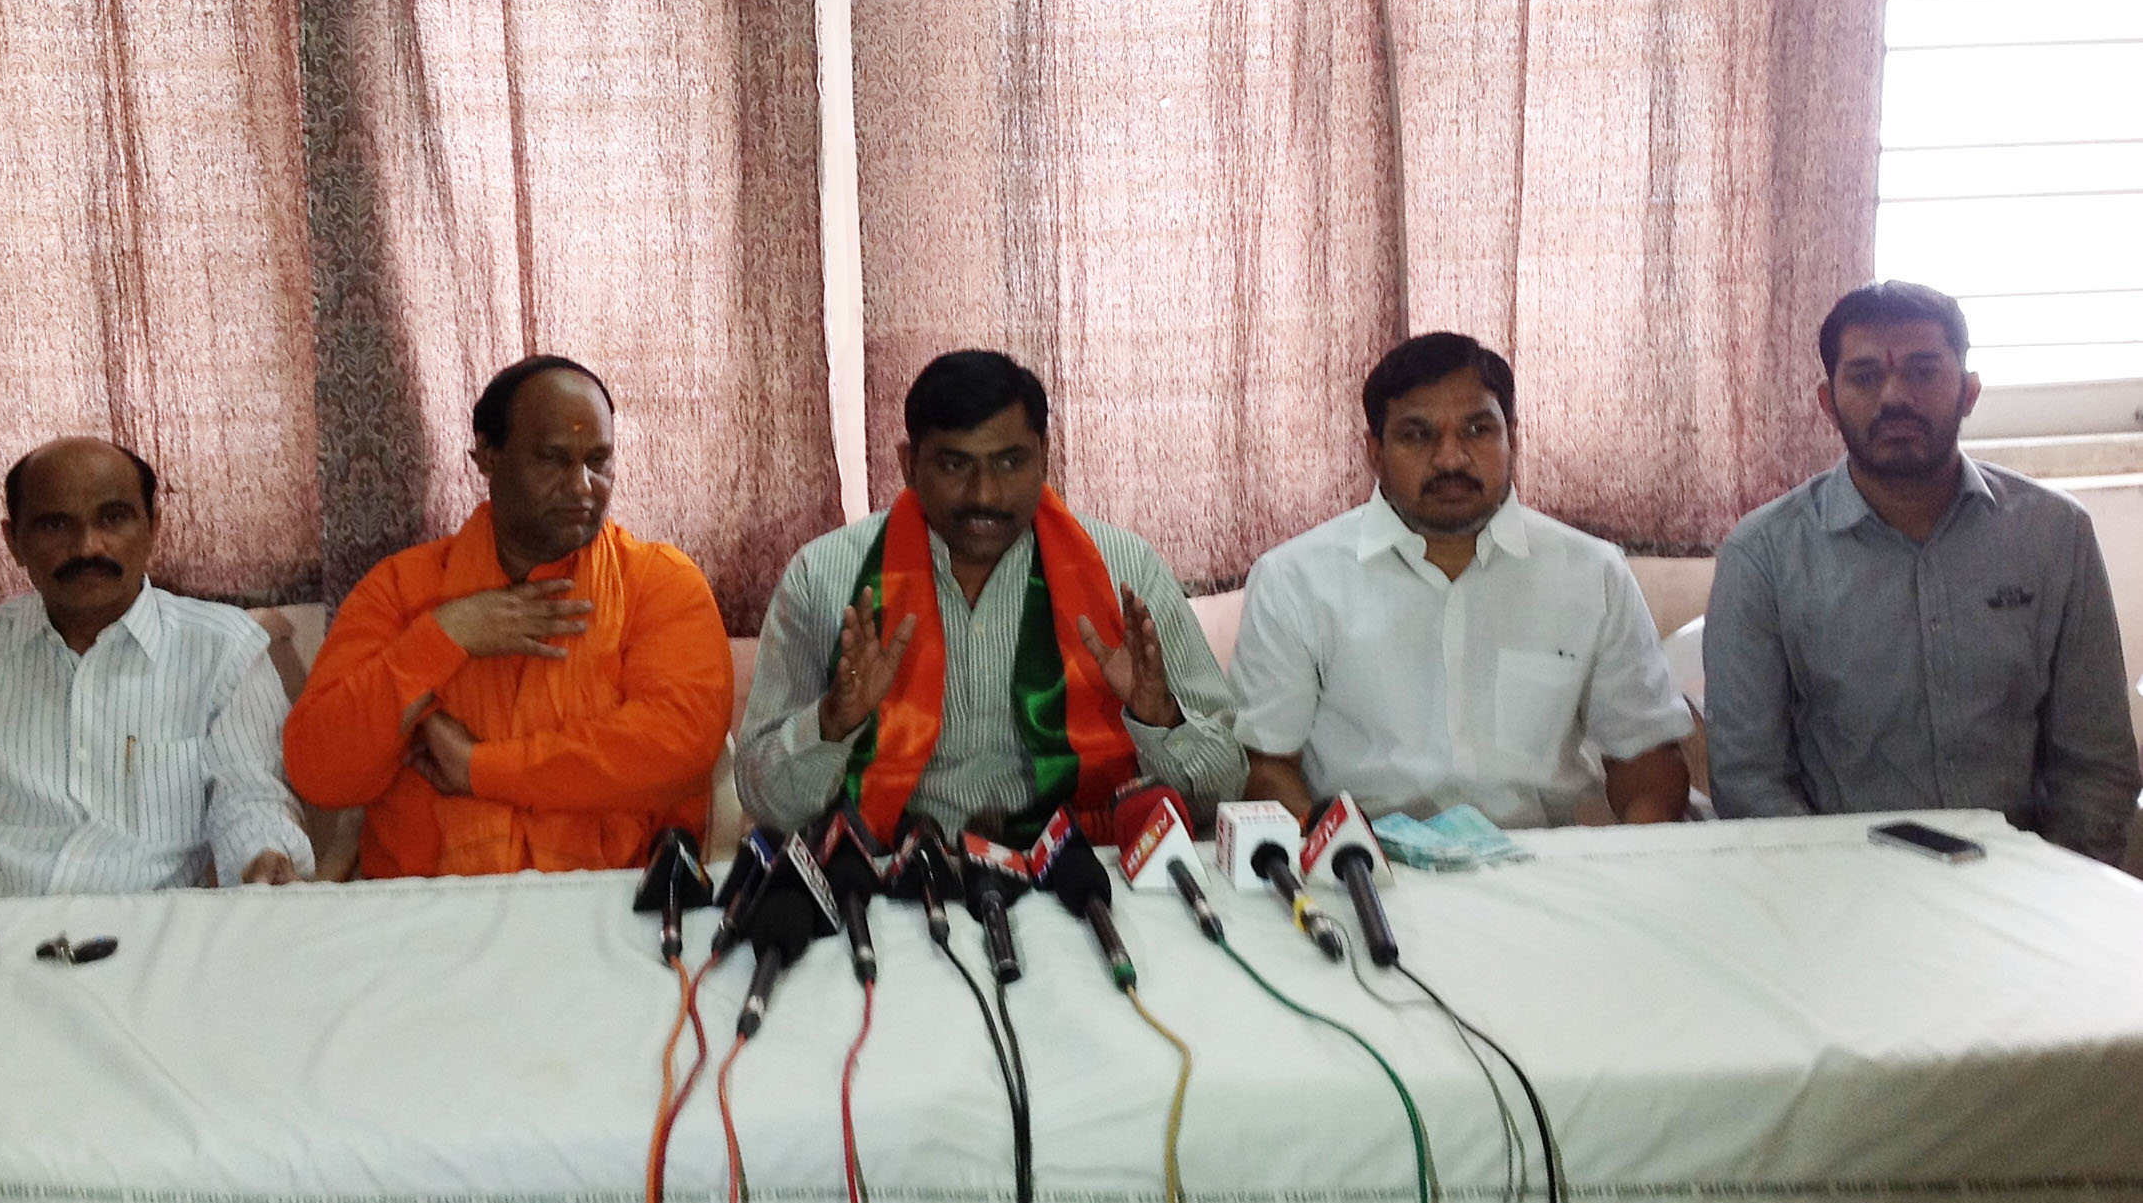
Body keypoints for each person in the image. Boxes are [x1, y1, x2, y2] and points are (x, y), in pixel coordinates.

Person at [0, 438, 311, 963]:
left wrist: (262, 858)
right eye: (55, 525)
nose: (88, 547)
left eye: (114, 518)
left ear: (152, 525)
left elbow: (251, 795)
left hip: (149, 952)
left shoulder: (224, 649)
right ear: (14, 542)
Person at [1704, 281, 2139, 862]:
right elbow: (1748, 780)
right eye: (1863, 377)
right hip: (1842, 891)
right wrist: (1835, 891)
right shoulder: (1764, 555)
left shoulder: (2054, 534)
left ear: (1968, 391)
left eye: (1924, 371)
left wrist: (2058, 885)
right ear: (1827, 403)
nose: (1894, 397)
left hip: (2027, 884)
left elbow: (2097, 760)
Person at [738, 349, 1245, 842]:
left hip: (1082, 868)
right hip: (893, 877)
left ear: (1044, 457)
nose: (985, 494)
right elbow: (764, 803)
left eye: (1009, 463)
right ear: (909, 465)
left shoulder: (1124, 571)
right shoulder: (825, 579)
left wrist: (1159, 716)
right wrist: (832, 722)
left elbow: (1225, 787)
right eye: (956, 466)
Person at [285, 355, 732, 876]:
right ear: (487, 456)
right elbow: (320, 771)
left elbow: (677, 746)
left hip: (607, 903)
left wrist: (482, 770)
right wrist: (444, 636)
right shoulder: (401, 590)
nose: (584, 487)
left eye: (599, 460)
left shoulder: (660, 582)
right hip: (426, 914)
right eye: (553, 459)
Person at [1230, 332, 1692, 829]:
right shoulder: (1295, 580)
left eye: (1477, 430)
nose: (1450, 459)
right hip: (1371, 871)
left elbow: (1646, 760)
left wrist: (1636, 871)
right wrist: (1339, 857)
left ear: (1512, 436)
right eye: (1417, 435)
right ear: (1375, 451)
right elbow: (1267, 768)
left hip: (1547, 867)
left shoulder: (1592, 573)